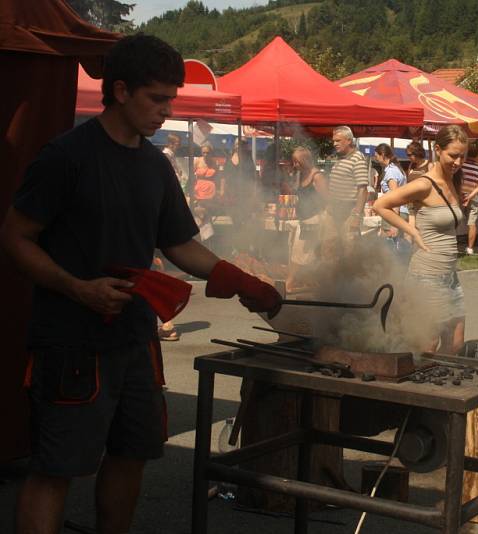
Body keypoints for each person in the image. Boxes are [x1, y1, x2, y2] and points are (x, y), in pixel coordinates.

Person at [0, 34, 282, 534]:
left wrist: (241, 280)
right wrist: (76, 287)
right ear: (122, 90)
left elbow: (179, 244)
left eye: (171, 99)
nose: (166, 111)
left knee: (132, 454)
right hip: (69, 343)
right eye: (157, 99)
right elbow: (16, 237)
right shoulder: (65, 156)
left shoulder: (155, 165)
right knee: (55, 468)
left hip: (134, 340)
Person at [374, 125, 468, 353]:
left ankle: (446, 388)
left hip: (450, 277)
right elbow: (381, 205)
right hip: (426, 276)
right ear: (438, 150)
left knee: (455, 345)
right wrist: (411, 230)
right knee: (427, 346)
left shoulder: (454, 181)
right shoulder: (424, 184)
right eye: (453, 155)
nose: (457, 162)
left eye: (462, 156)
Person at [286, 146, 328, 293]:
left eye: (297, 162)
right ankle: (310, 282)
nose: (295, 165)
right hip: (304, 219)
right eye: (294, 162)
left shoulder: (317, 176)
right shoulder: (301, 175)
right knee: (304, 253)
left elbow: (326, 199)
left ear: (305, 160)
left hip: (314, 219)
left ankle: (290, 283)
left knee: (300, 252)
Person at [327, 126, 369, 242]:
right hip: (335, 212)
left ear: (349, 140)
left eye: (338, 140)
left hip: (349, 212)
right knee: (330, 246)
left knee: (349, 249)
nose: (335, 144)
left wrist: (356, 216)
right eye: (334, 141)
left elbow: (363, 190)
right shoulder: (341, 158)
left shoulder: (357, 159)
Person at [461, 140, 478, 255]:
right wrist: (470, 196)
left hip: (459, 195)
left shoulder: (461, 166)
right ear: (476, 155)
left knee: (453, 220)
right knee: (472, 223)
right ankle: (470, 248)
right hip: (473, 197)